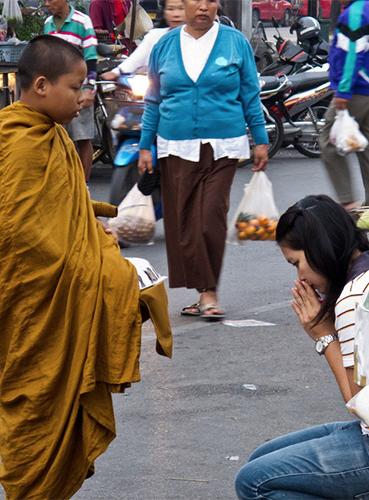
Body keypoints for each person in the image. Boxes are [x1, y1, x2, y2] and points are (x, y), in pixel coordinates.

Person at [0, 35, 173, 499]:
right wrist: (114, 274)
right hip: (30, 306)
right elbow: (27, 241)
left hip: (51, 299)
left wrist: (94, 224)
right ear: (41, 85)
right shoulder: (23, 143)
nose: (85, 96)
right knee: (33, 408)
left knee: (47, 410)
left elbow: (65, 209)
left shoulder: (51, 136)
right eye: (76, 86)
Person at [234, 194, 369, 500]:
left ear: (319, 248)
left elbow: (362, 405)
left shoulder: (351, 300)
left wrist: (323, 335)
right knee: (261, 459)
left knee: (252, 482)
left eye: (297, 263)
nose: (300, 277)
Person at [138, 0, 268, 319]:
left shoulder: (235, 42)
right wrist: (145, 145)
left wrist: (261, 139)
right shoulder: (165, 44)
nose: (203, 7)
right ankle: (201, 291)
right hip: (176, 144)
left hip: (224, 143)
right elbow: (153, 99)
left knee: (210, 214)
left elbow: (250, 93)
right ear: (183, 3)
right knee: (183, 221)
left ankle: (209, 292)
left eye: (211, 0)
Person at [319, 0, 369, 209]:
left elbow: (352, 54)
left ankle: (348, 201)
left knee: (328, 142)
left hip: (357, 90)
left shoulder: (356, 13)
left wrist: (344, 90)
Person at [44, 0, 98, 184]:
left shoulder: (83, 22)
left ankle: (84, 186)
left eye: (51, 0)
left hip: (79, 90)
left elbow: (91, 58)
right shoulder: (48, 24)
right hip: (57, 93)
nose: (47, 4)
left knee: (82, 138)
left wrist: (89, 88)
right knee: (58, 138)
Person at [101, 0, 186, 80]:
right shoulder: (154, 36)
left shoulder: (196, 38)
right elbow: (135, 60)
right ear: (164, 11)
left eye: (181, 9)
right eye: (170, 9)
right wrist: (116, 72)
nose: (176, 14)